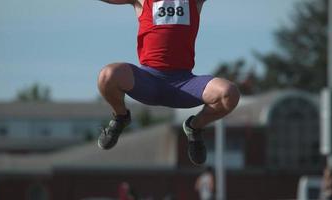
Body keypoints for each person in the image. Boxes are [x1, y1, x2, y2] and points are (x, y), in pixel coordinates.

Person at [97, 0, 240, 165]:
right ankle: (121, 117)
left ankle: (195, 127)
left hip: (184, 84)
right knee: (107, 76)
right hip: (148, 81)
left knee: (230, 94)